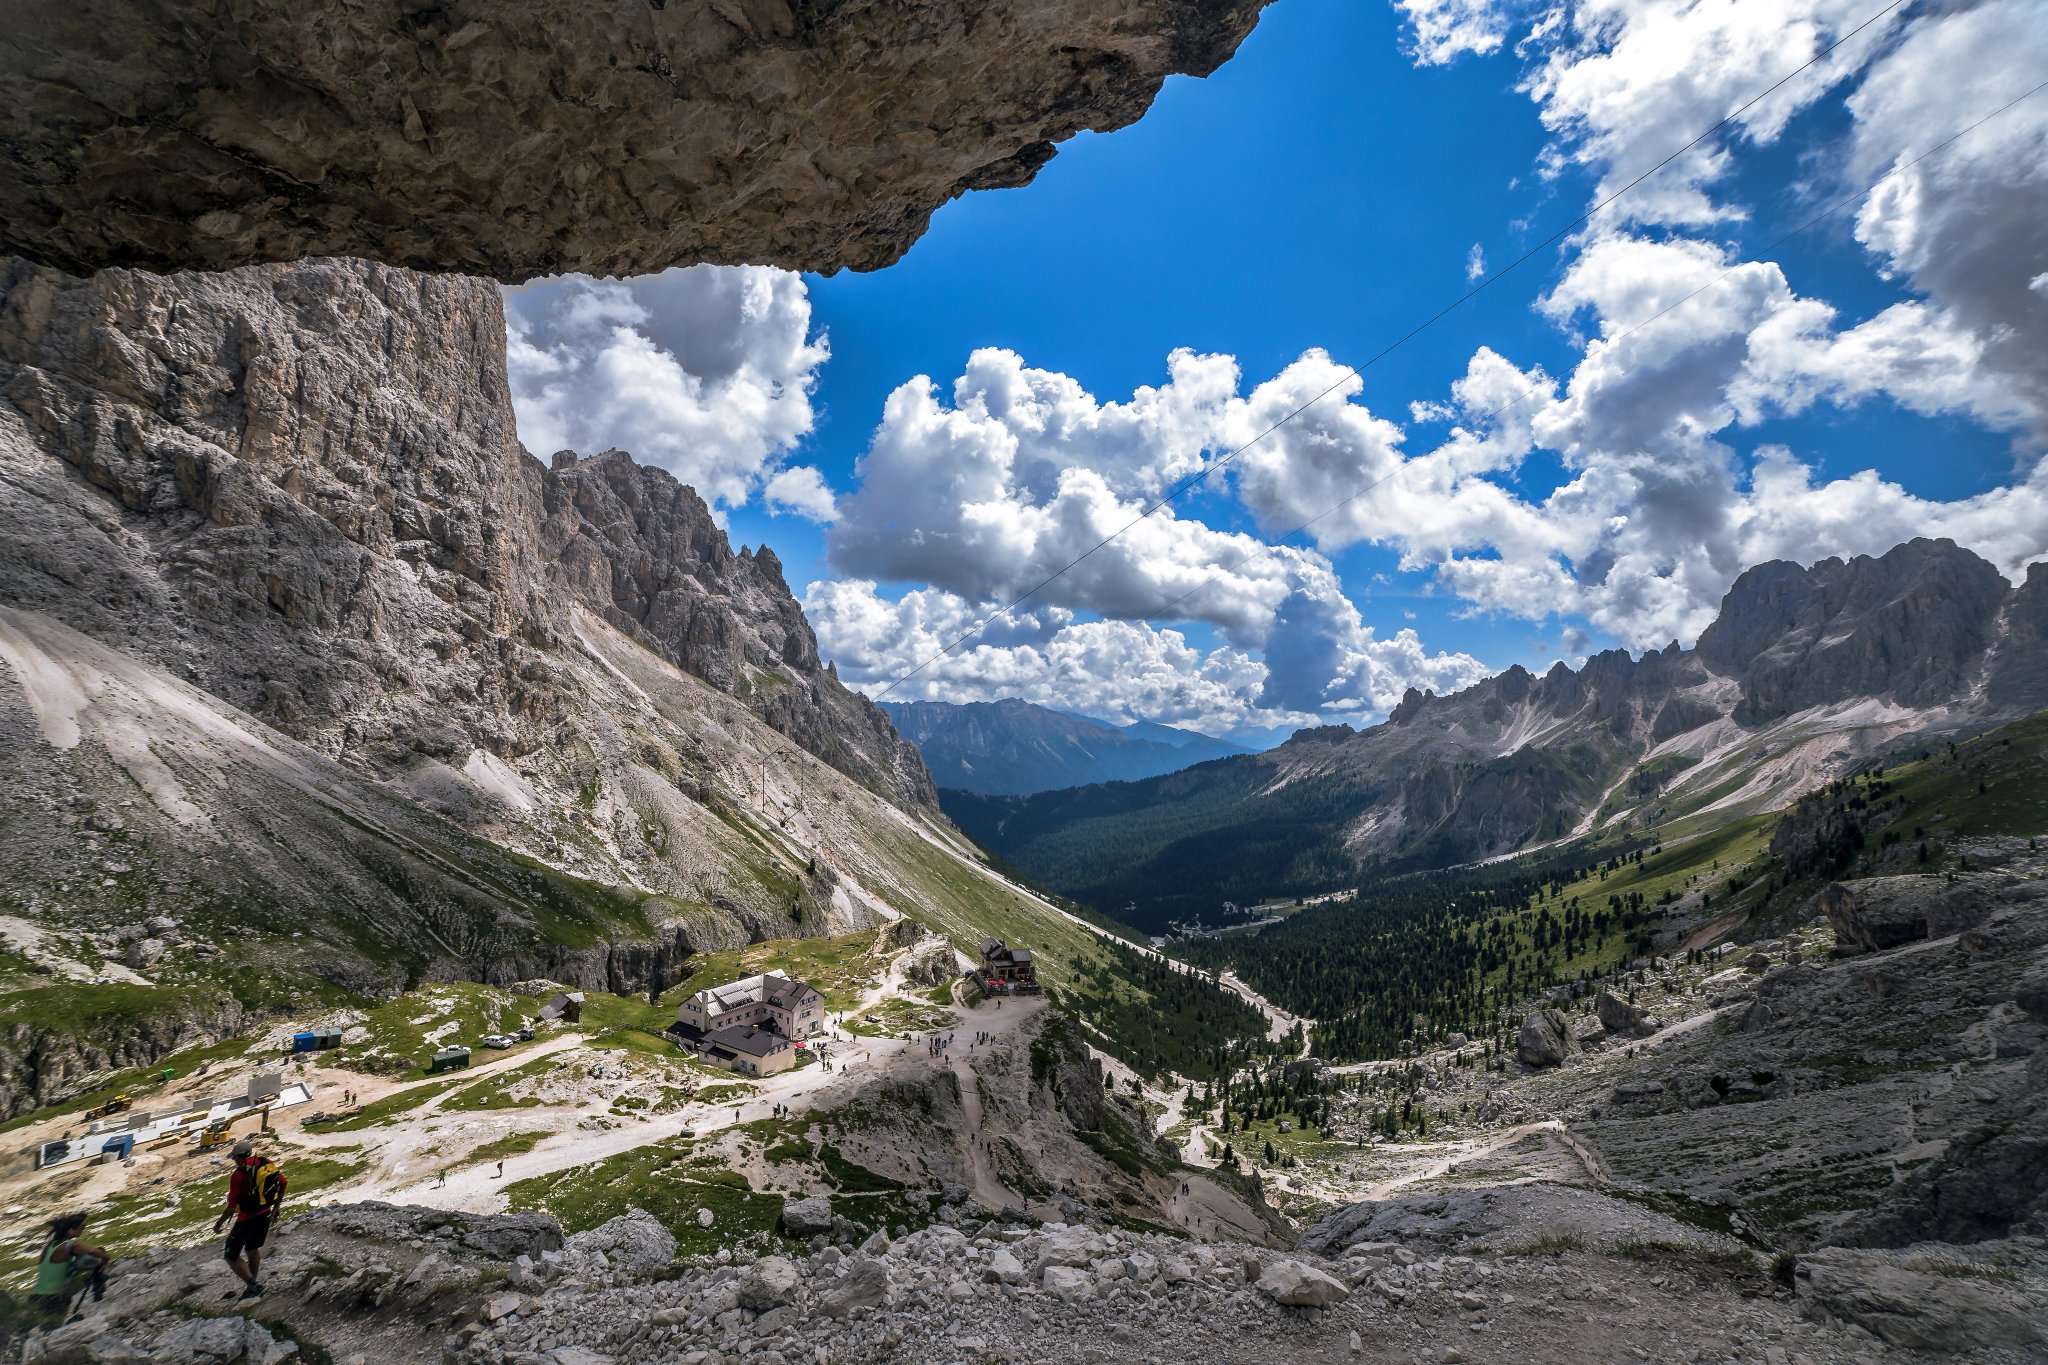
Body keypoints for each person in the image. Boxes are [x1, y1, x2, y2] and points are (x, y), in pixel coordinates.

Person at [214, 1139, 286, 1300]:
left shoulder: (238, 1175)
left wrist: (219, 1223)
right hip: (265, 1214)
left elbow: (232, 1207)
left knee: (231, 1255)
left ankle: (253, 1285)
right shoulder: (265, 1162)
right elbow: (282, 1181)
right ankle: (251, 1286)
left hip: (247, 1218)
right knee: (252, 1250)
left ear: (240, 1157)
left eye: (234, 1158)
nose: (233, 1161)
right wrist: (277, 1207)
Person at [32, 1213, 109, 1323]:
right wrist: (106, 1257)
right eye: (82, 1227)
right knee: (54, 1328)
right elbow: (92, 1252)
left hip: (35, 1296)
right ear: (71, 1230)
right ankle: (98, 1294)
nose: (83, 1230)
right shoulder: (71, 1245)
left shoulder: (48, 1247)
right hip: (54, 1297)